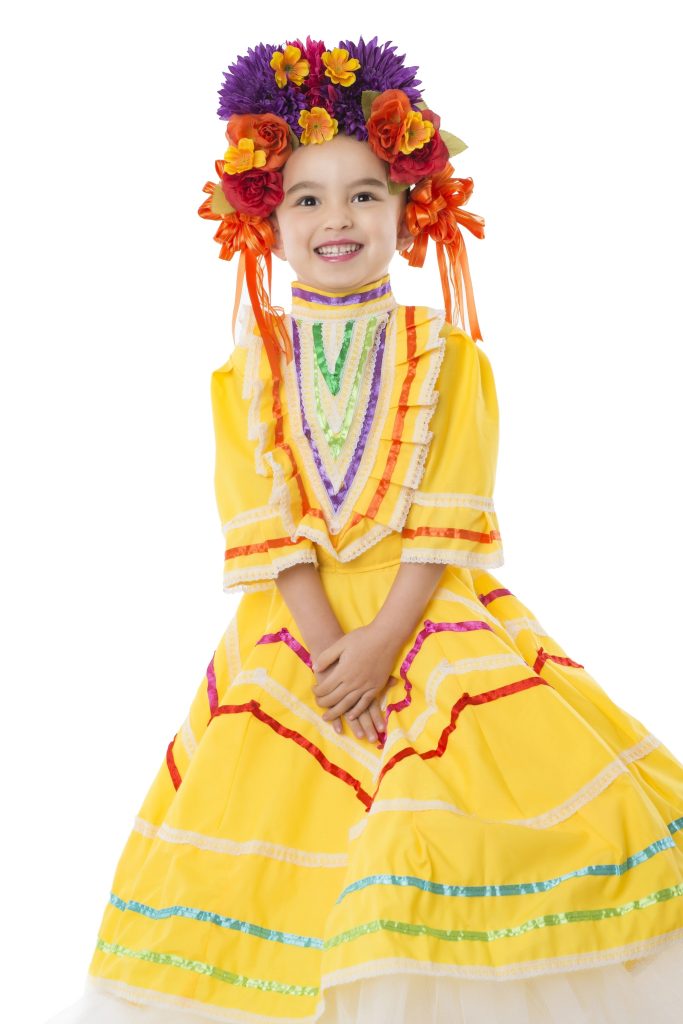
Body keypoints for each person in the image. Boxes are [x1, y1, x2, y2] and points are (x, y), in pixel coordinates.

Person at [44, 35, 683, 1024]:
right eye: (306, 198)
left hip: (421, 615)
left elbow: (446, 511)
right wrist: (333, 649)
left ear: (407, 212)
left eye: (363, 195)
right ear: (267, 221)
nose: (334, 219)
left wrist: (383, 640)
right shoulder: (245, 369)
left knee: (433, 829)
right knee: (269, 849)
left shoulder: (445, 354)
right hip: (295, 641)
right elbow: (263, 521)